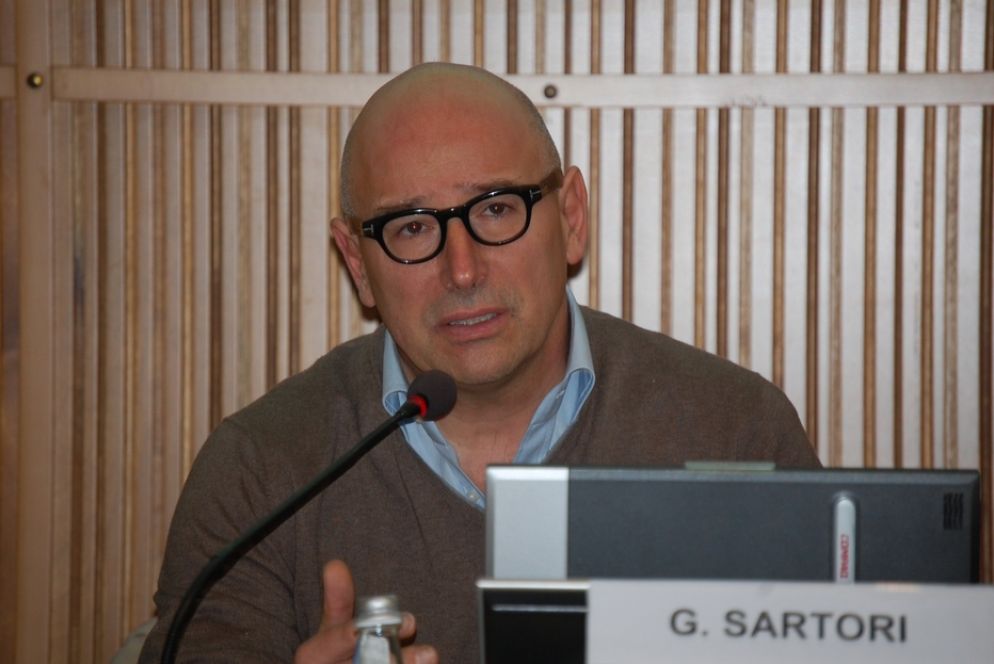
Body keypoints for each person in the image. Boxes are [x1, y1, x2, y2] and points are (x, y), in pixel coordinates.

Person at [138, 62, 819, 663]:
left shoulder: (734, 431)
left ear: (571, 217)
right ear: (357, 263)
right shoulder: (261, 470)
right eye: (411, 227)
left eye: (496, 209)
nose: (461, 270)